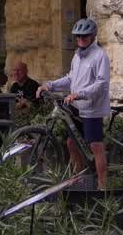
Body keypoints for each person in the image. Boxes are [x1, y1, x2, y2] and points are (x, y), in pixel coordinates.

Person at [40, 18, 111, 188]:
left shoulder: (100, 56)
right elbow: (71, 78)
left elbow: (102, 84)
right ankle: (81, 181)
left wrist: (80, 94)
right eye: (78, 37)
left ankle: (104, 189)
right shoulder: (77, 55)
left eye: (84, 37)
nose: (80, 39)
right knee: (71, 143)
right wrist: (49, 85)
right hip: (77, 107)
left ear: (92, 36)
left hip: (92, 108)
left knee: (96, 147)